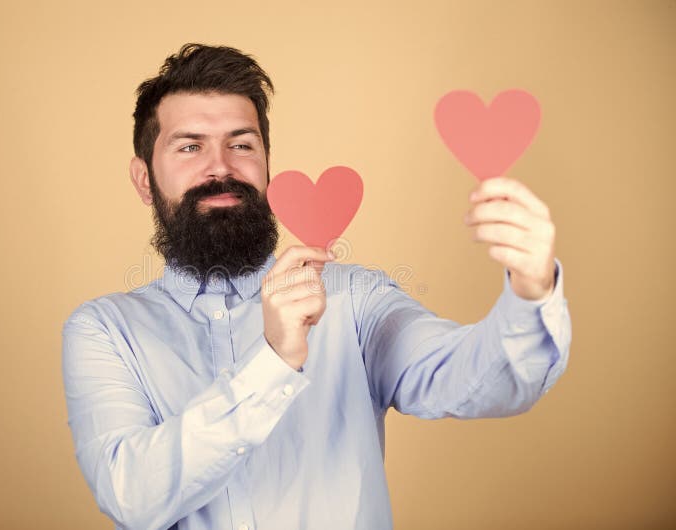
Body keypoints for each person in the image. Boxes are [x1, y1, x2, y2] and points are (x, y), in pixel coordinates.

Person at [61, 43, 572, 530]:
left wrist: (530, 291)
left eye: (242, 144)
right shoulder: (105, 331)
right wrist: (274, 362)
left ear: (267, 166)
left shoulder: (357, 301)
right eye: (190, 147)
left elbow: (484, 381)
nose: (220, 167)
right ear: (144, 179)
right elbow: (131, 497)